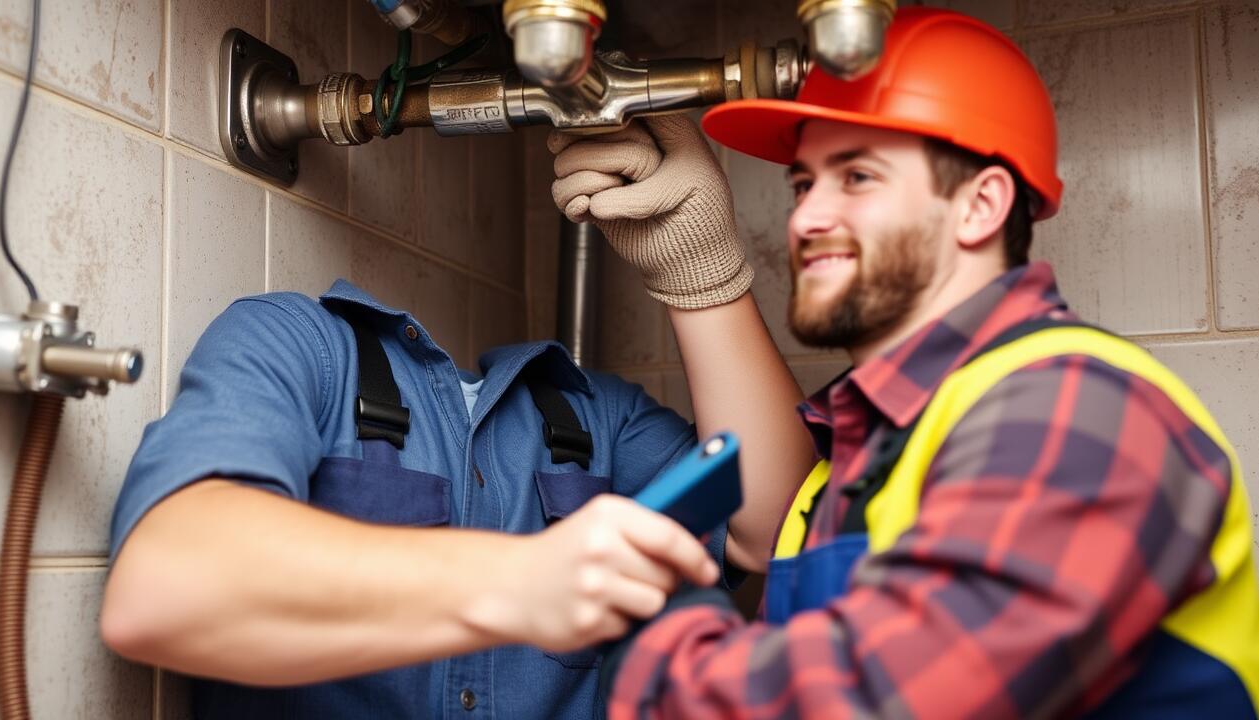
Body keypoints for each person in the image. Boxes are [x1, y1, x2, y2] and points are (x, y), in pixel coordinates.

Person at [549, 7, 1259, 718]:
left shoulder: (1075, 406)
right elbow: (766, 530)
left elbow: (876, 700)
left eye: (857, 178)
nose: (804, 219)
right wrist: (697, 265)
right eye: (803, 185)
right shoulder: (866, 445)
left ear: (980, 205)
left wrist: (652, 630)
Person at [99, 250, 812, 712]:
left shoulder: (601, 418)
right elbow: (159, 591)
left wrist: (702, 268)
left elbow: (787, 526)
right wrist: (523, 579)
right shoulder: (300, 344)